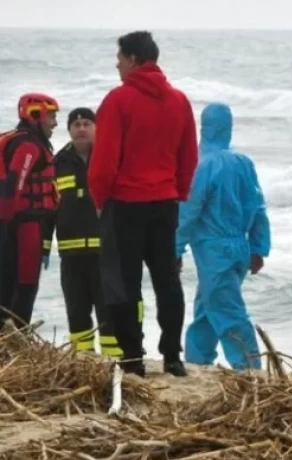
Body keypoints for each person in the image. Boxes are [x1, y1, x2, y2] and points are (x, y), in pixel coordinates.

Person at [89, 30, 198, 377]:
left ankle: (133, 357)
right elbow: (189, 156)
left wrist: (98, 199)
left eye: (119, 57)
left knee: (123, 283)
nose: (116, 64)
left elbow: (104, 160)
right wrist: (178, 191)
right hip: (165, 202)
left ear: (133, 60)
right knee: (167, 279)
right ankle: (172, 356)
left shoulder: (118, 100)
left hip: (124, 203)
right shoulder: (179, 100)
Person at [175, 103, 270, 371]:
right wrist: (259, 247)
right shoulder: (243, 163)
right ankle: (197, 361)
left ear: (202, 128)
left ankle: (249, 369)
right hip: (240, 245)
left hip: (213, 249)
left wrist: (175, 247)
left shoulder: (202, 165)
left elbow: (189, 211)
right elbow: (259, 207)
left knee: (227, 312)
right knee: (207, 308)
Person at [51, 108, 121, 357]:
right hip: (71, 256)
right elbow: (49, 208)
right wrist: (43, 246)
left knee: (109, 312)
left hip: (106, 254)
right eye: (76, 124)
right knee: (77, 312)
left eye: (87, 123)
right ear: (69, 130)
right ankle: (83, 361)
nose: (81, 128)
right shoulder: (57, 163)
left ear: (97, 128)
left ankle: (116, 362)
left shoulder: (110, 158)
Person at [0, 93, 60, 328]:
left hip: (14, 224)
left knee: (7, 282)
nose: (55, 123)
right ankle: (19, 334)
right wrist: (5, 226)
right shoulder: (28, 146)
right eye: (52, 116)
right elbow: (16, 182)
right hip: (24, 225)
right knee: (25, 283)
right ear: (36, 115)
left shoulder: (15, 139)